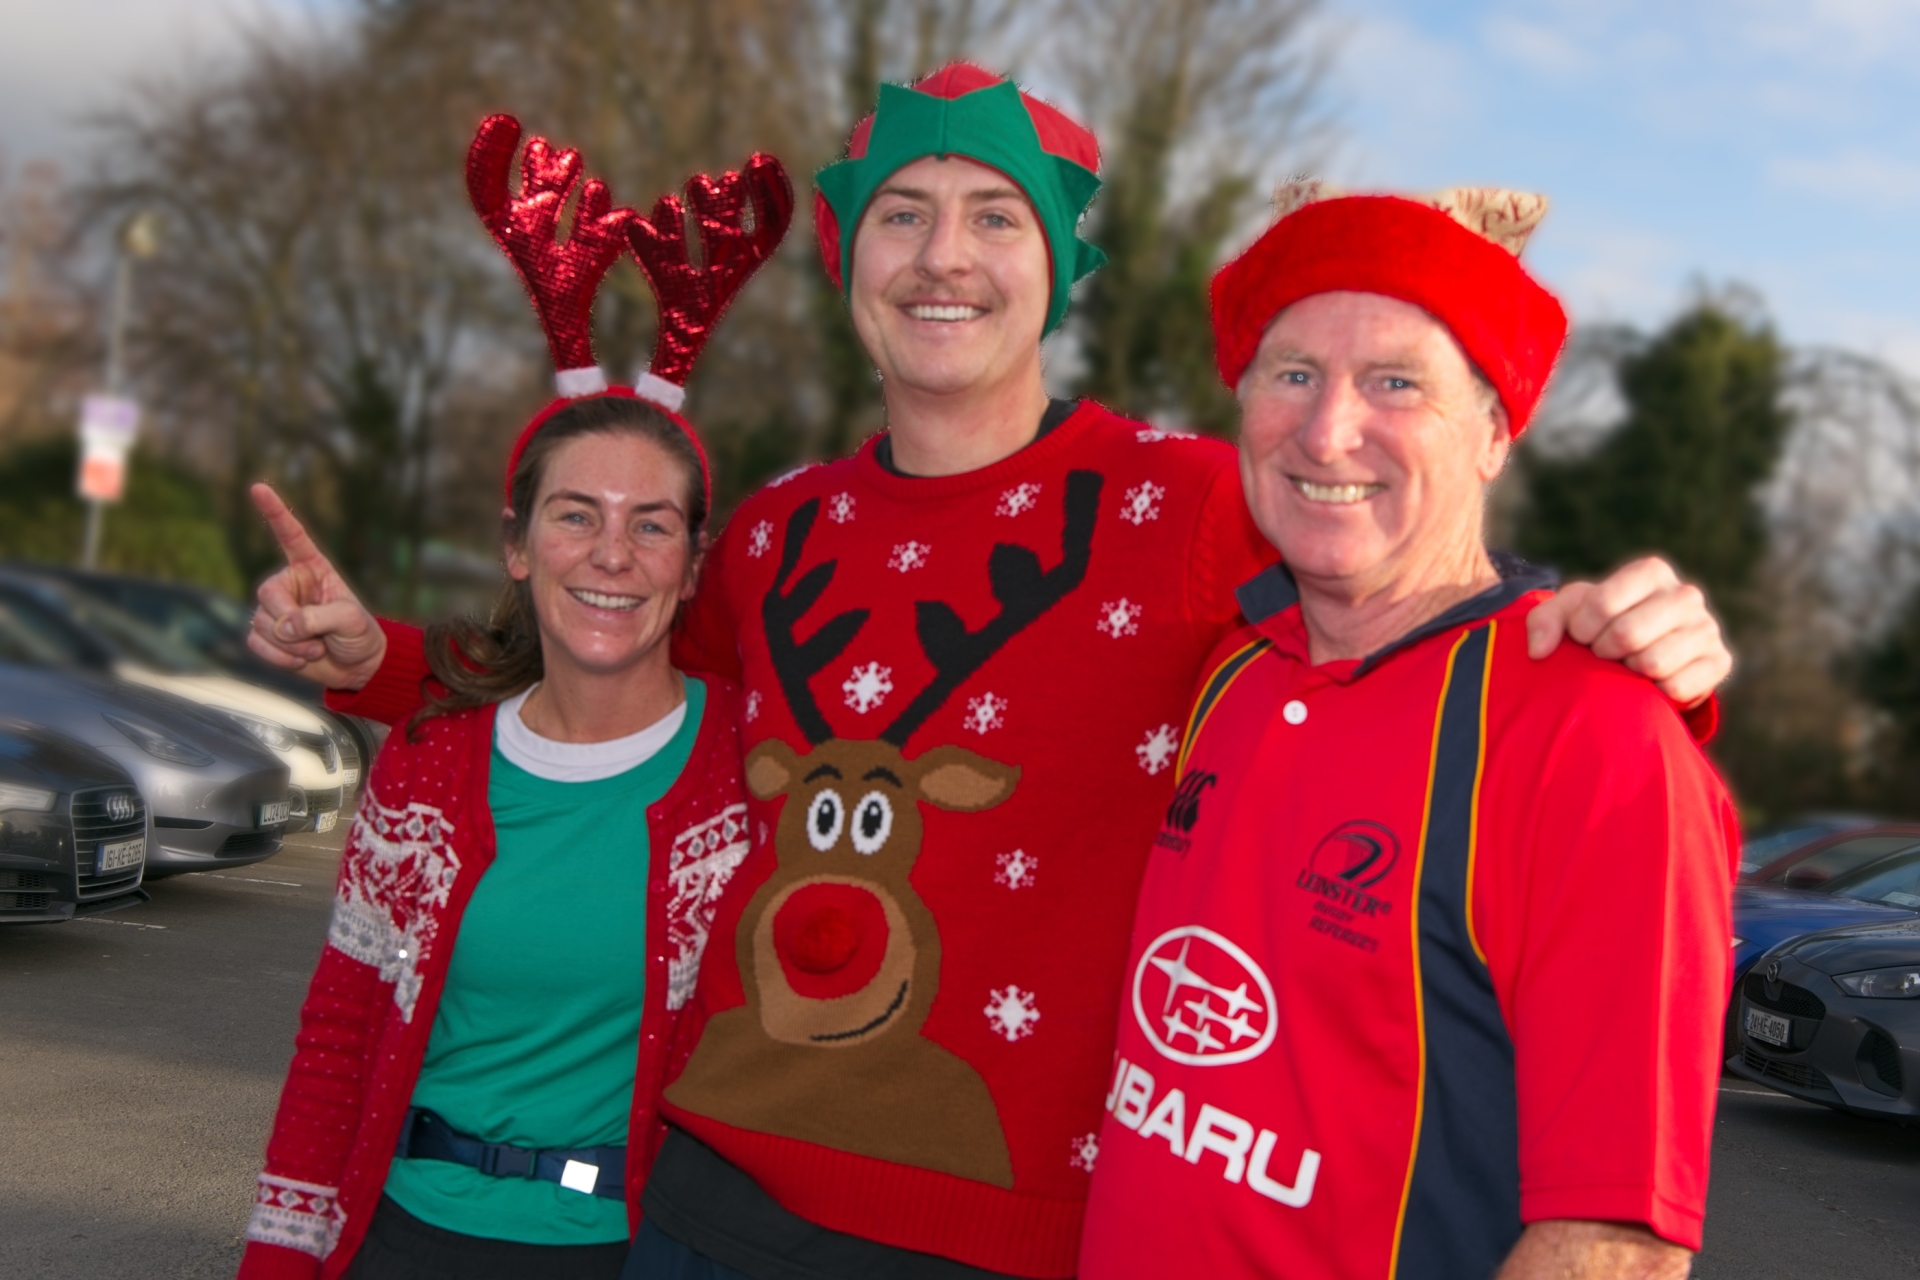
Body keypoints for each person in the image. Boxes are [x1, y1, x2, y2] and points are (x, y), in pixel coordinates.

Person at [249, 69, 1734, 1280]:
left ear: (1061, 267)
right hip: (703, 1195)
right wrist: (383, 660)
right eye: (902, 213)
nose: (943, 257)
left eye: (994, 217)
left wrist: (1596, 632)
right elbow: (606, 669)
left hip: (1003, 1239)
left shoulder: (1197, 498)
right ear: (849, 260)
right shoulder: (774, 530)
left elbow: (1400, 582)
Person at [1077, 184, 1736, 1279]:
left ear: (1494, 434)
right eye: (1293, 374)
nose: (1328, 431)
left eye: (1397, 381)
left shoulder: (1596, 736)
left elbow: (1615, 1242)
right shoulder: (1232, 670)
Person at [235, 116, 784, 1279]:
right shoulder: (429, 760)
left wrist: (377, 661)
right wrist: (281, 1254)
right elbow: (339, 1034)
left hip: (638, 1250)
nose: (612, 553)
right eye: (575, 514)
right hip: (406, 1238)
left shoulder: (749, 762)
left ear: (695, 564)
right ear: (519, 545)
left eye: (653, 525)